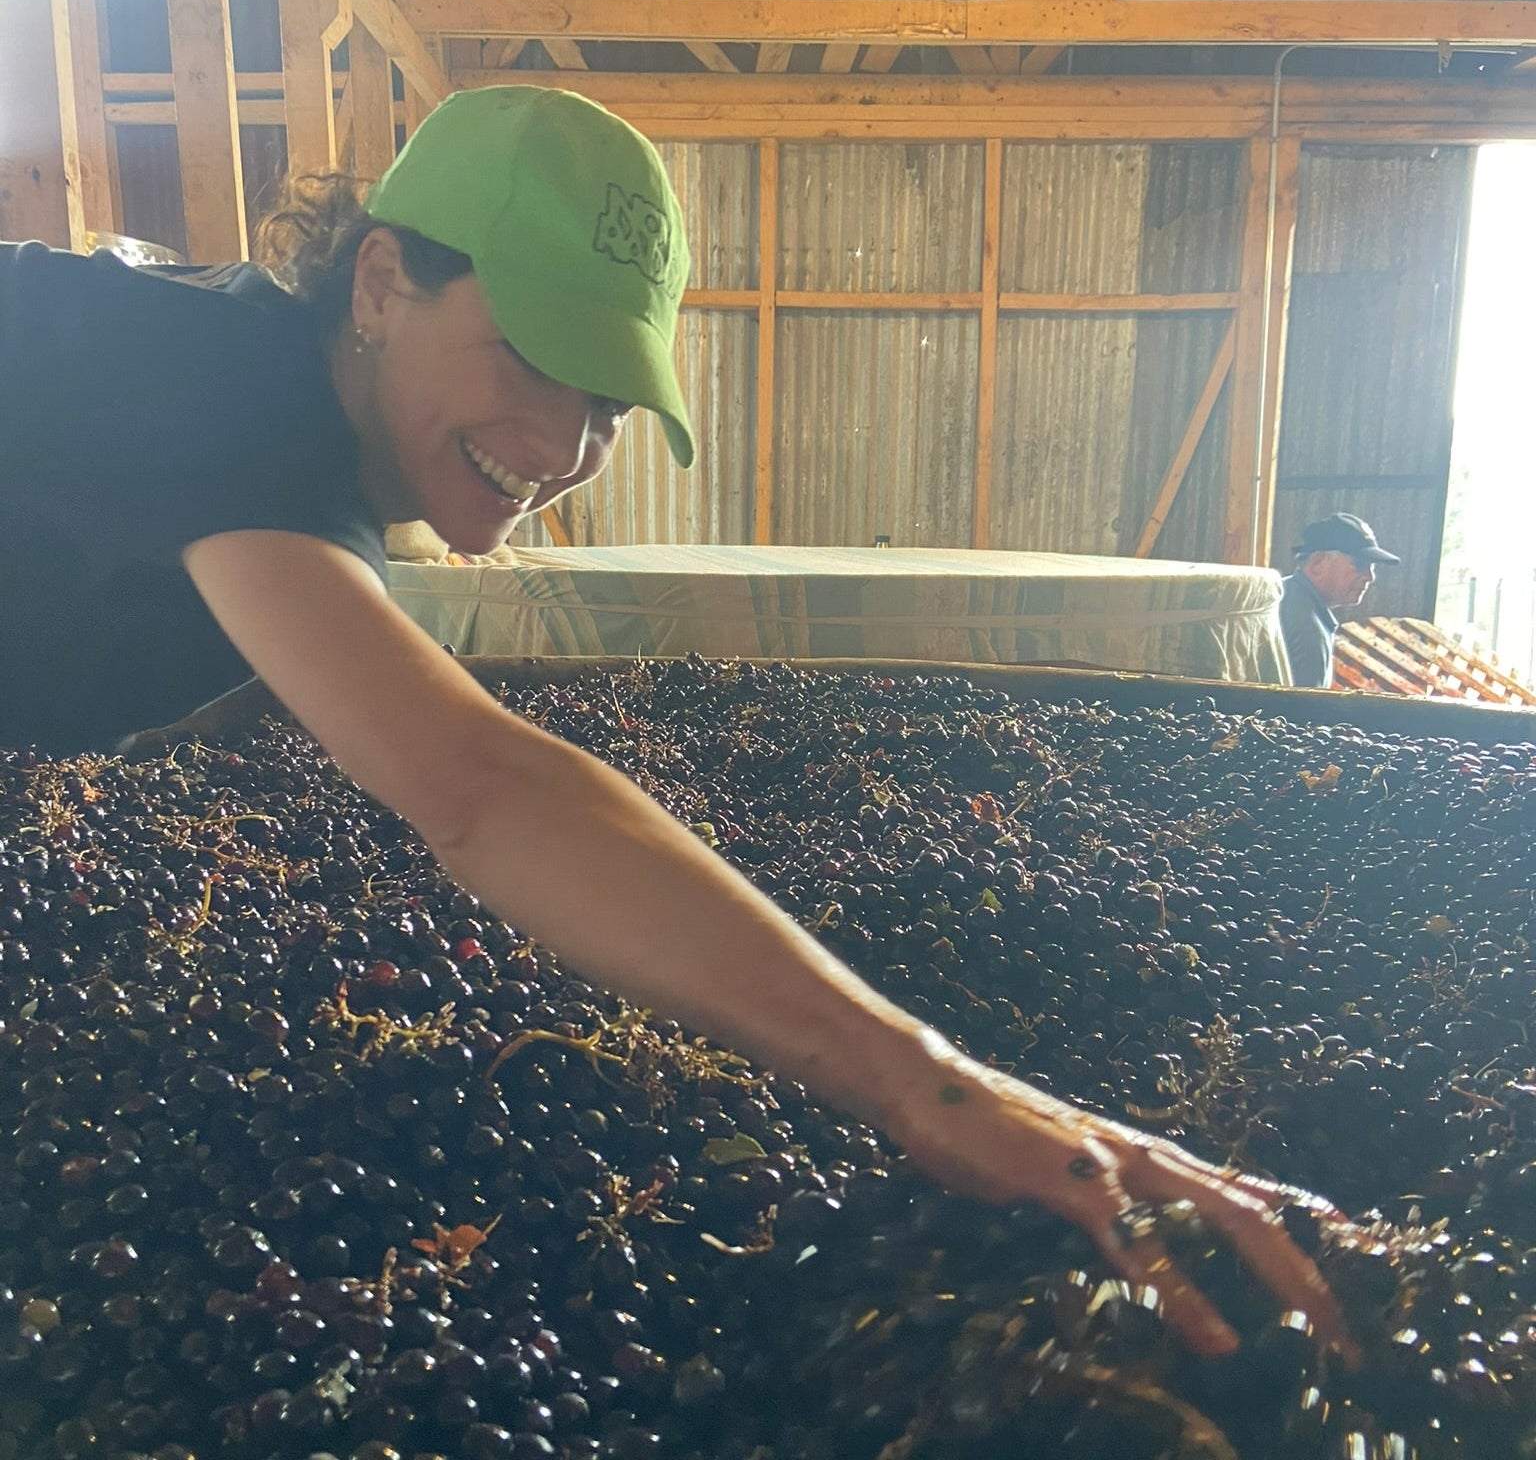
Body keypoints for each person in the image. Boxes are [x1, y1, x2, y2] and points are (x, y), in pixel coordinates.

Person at [0, 87, 1354, 1362]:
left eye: (608, 398)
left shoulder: (271, 419)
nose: (566, 441)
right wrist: (928, 1085)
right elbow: (481, 787)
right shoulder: (215, 396)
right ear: (380, 281)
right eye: (532, 355)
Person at [1278, 513, 1401, 688]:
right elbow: (1304, 711)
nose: (1370, 576)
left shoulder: (1285, 595)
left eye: (1371, 566)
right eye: (1359, 564)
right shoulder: (1308, 627)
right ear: (1318, 563)